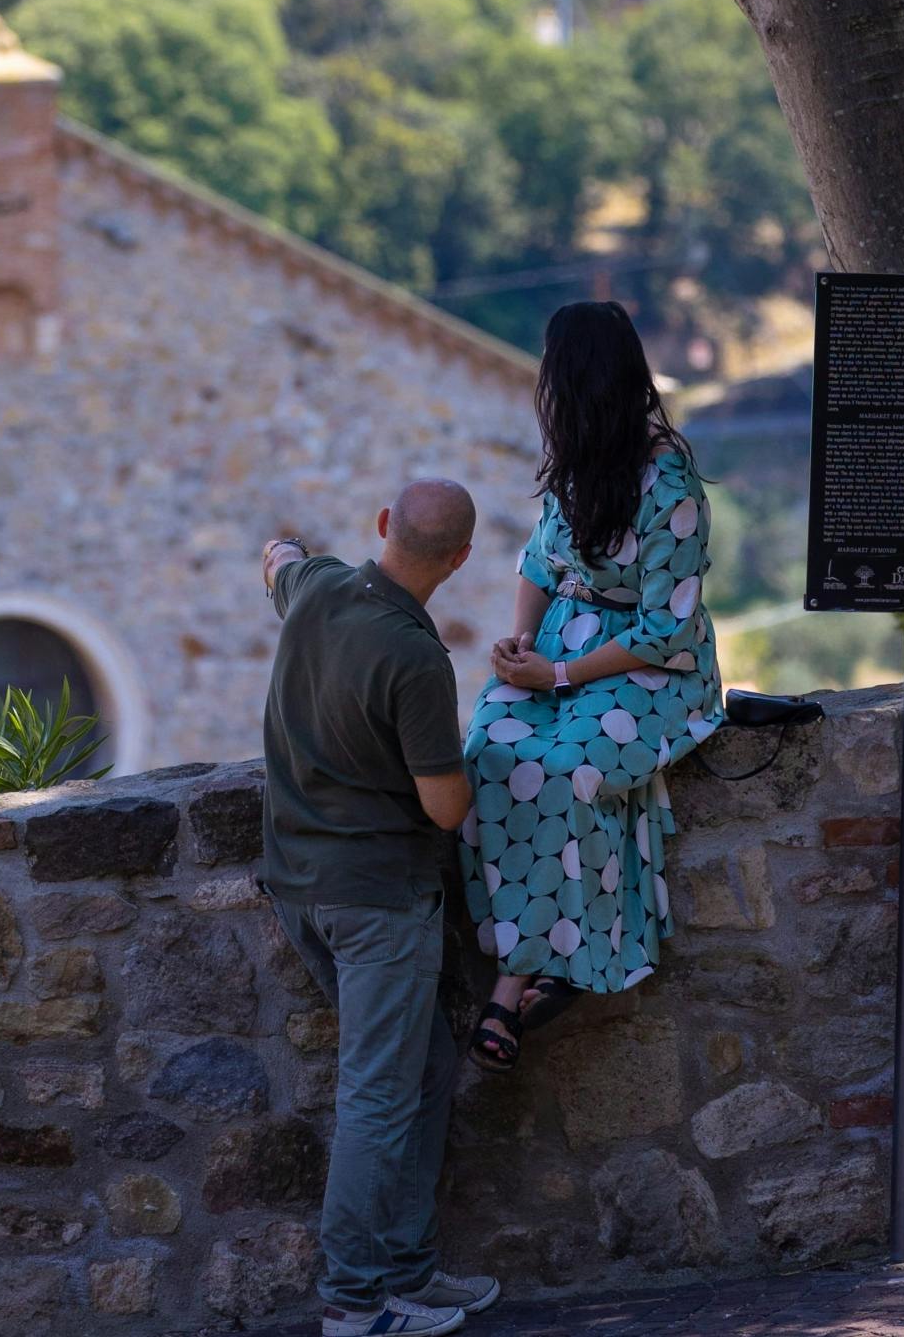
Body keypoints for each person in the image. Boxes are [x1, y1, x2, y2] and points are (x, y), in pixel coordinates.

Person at [262, 482, 501, 1337]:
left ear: (381, 529)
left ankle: (408, 1271)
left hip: (299, 887)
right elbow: (445, 808)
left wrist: (287, 545)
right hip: (378, 900)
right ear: (461, 559)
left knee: (425, 1068)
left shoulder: (319, 586)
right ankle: (356, 1305)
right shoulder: (414, 657)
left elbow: (279, 561)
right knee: (376, 1096)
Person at [461, 299, 725, 1071]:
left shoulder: (669, 483)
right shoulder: (575, 461)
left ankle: (523, 981)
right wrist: (520, 642)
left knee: (566, 771)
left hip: (652, 672)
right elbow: (541, 563)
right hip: (559, 652)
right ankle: (544, 950)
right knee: (488, 748)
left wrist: (563, 673)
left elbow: (666, 630)